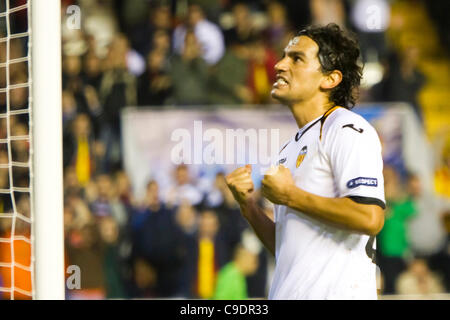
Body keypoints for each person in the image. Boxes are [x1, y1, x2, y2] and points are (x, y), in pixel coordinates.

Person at [225, 24, 386, 300]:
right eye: (284, 56)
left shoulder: (347, 129)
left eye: (296, 58)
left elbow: (370, 217)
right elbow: (286, 247)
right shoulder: (290, 148)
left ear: (330, 79)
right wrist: (248, 206)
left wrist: (290, 195)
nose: (278, 65)